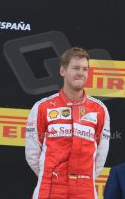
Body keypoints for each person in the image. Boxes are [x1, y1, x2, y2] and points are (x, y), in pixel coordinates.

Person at [25, 47, 110, 199]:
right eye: (75, 68)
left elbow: (100, 156)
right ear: (63, 71)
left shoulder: (99, 109)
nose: (80, 73)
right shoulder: (42, 107)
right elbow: (32, 153)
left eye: (85, 69)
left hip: (85, 191)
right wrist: (52, 176)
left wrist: (83, 178)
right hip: (49, 188)